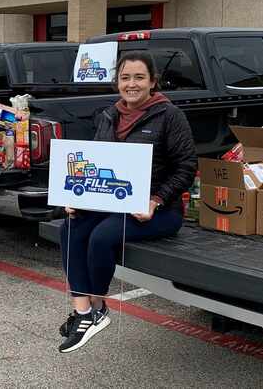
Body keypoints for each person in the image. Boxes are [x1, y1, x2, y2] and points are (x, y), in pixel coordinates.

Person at [57, 51, 197, 353]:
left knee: (102, 237)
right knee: (70, 228)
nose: (131, 84)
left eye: (138, 77)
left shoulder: (169, 116)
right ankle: (84, 312)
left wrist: (156, 200)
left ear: (152, 82)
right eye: (125, 78)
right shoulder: (110, 115)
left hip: (159, 210)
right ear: (117, 82)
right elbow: (96, 162)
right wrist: (77, 197)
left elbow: (187, 166)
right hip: (114, 203)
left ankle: (96, 306)